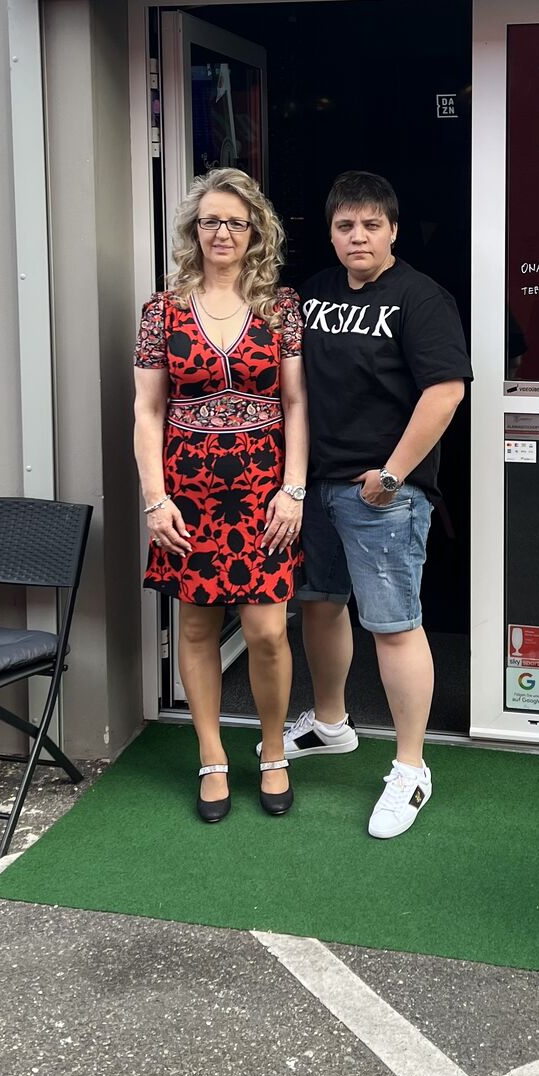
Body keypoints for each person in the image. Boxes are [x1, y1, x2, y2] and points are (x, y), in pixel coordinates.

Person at [284, 170, 471, 838]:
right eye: (345, 225)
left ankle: (411, 767)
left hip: (382, 494)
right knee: (319, 604)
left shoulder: (421, 298)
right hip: (316, 486)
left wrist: (391, 476)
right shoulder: (314, 292)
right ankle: (331, 723)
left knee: (393, 625)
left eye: (370, 225)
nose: (357, 236)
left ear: (393, 229)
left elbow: (446, 392)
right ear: (331, 232)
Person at [133, 168, 308, 823]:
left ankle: (272, 749)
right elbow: (148, 410)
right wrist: (155, 499)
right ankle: (211, 755)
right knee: (197, 627)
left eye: (236, 221)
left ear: (255, 230)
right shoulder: (162, 310)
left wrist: (294, 489)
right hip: (188, 492)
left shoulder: (280, 307)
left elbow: (295, 402)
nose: (223, 233)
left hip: (264, 491)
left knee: (267, 631)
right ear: (194, 229)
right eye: (211, 221)